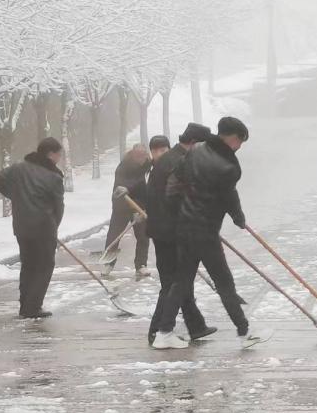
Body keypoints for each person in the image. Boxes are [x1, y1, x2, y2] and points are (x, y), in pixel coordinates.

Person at [152, 116, 267, 350]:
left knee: (181, 281)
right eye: (240, 142)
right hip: (205, 233)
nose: (239, 147)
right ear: (232, 138)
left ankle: (164, 332)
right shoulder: (228, 167)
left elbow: (174, 185)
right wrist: (238, 218)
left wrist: (182, 211)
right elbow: (229, 197)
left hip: (185, 228)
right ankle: (244, 331)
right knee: (224, 282)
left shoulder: (195, 150)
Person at [145, 123, 217, 345]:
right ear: (195, 143)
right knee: (175, 282)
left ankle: (195, 326)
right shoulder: (179, 162)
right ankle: (158, 331)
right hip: (172, 232)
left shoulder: (169, 159)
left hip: (162, 230)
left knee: (178, 281)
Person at [0, 137, 65, 319]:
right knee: (44, 266)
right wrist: (53, 226)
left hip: (22, 226)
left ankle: (25, 305)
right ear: (51, 154)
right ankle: (33, 307)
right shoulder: (54, 178)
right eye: (59, 155)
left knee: (28, 265)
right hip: (43, 228)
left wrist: (16, 196)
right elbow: (59, 207)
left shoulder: (18, 168)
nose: (60, 158)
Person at [104, 143, 155, 279]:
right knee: (114, 236)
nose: (141, 158)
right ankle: (108, 264)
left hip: (139, 205)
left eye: (143, 155)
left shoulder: (147, 165)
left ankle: (141, 265)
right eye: (138, 155)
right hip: (122, 205)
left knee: (143, 236)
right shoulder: (123, 167)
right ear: (132, 154)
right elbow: (121, 185)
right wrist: (127, 189)